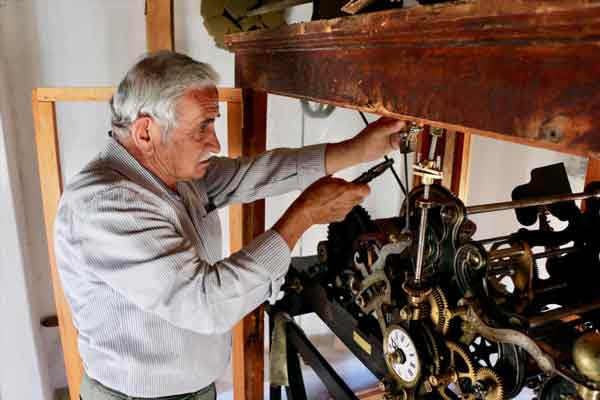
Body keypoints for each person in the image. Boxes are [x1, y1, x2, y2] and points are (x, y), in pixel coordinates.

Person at [54, 51, 405, 400]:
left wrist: (359, 149)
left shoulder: (172, 173)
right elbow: (207, 303)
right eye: (202, 127)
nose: (215, 142)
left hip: (196, 389)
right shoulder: (105, 205)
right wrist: (304, 216)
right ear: (146, 131)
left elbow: (257, 173)